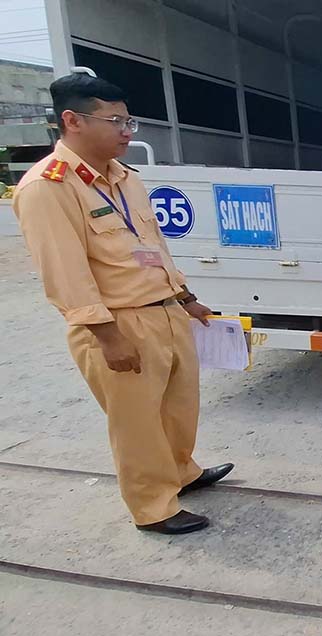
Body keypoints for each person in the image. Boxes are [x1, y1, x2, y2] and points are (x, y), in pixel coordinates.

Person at [13, 73, 233, 534]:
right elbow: (65, 273)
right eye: (114, 120)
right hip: (118, 323)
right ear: (71, 121)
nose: (127, 131)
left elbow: (152, 246)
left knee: (178, 406)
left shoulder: (125, 178)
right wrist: (107, 337)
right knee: (137, 421)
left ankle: (181, 473)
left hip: (164, 311)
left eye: (128, 119)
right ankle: (153, 507)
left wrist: (186, 299)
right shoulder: (48, 187)